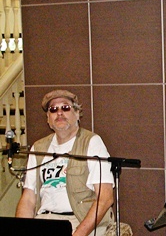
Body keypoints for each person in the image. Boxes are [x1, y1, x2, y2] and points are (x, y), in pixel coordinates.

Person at [16, 90, 115, 236]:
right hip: (44, 219)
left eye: (65, 107)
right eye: (53, 109)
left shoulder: (92, 142)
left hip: (78, 221)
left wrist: (78, 234)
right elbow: (29, 199)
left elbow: (105, 198)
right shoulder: (38, 148)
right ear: (48, 119)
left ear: (77, 114)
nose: (59, 113)